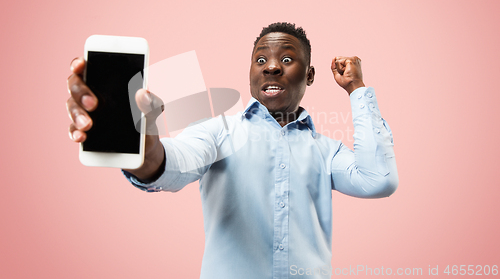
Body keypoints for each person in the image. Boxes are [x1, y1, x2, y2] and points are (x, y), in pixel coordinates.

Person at [67, 22, 398, 279]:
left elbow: (378, 179)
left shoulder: (328, 152)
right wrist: (144, 145)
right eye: (260, 60)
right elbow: (172, 164)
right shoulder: (217, 133)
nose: (271, 67)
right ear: (251, 74)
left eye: (286, 59)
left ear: (309, 75)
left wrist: (357, 90)